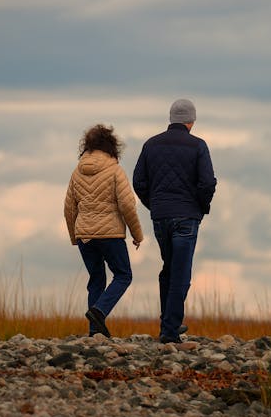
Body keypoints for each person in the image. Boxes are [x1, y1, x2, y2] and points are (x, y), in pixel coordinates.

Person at [133, 99, 216, 343]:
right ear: (191, 121)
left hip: (160, 216)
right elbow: (208, 183)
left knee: (169, 269)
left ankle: (169, 321)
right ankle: (170, 330)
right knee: (180, 273)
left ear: (171, 119)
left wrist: (155, 204)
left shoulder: (151, 144)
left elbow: (139, 182)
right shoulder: (198, 146)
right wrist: (200, 206)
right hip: (187, 217)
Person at [64, 124, 144, 337]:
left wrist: (75, 237)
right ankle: (99, 312)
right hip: (111, 235)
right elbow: (127, 205)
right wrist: (137, 235)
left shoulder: (76, 172)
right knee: (123, 275)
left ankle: (94, 332)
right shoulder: (115, 170)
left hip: (85, 236)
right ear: (111, 146)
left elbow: (68, 208)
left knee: (96, 280)